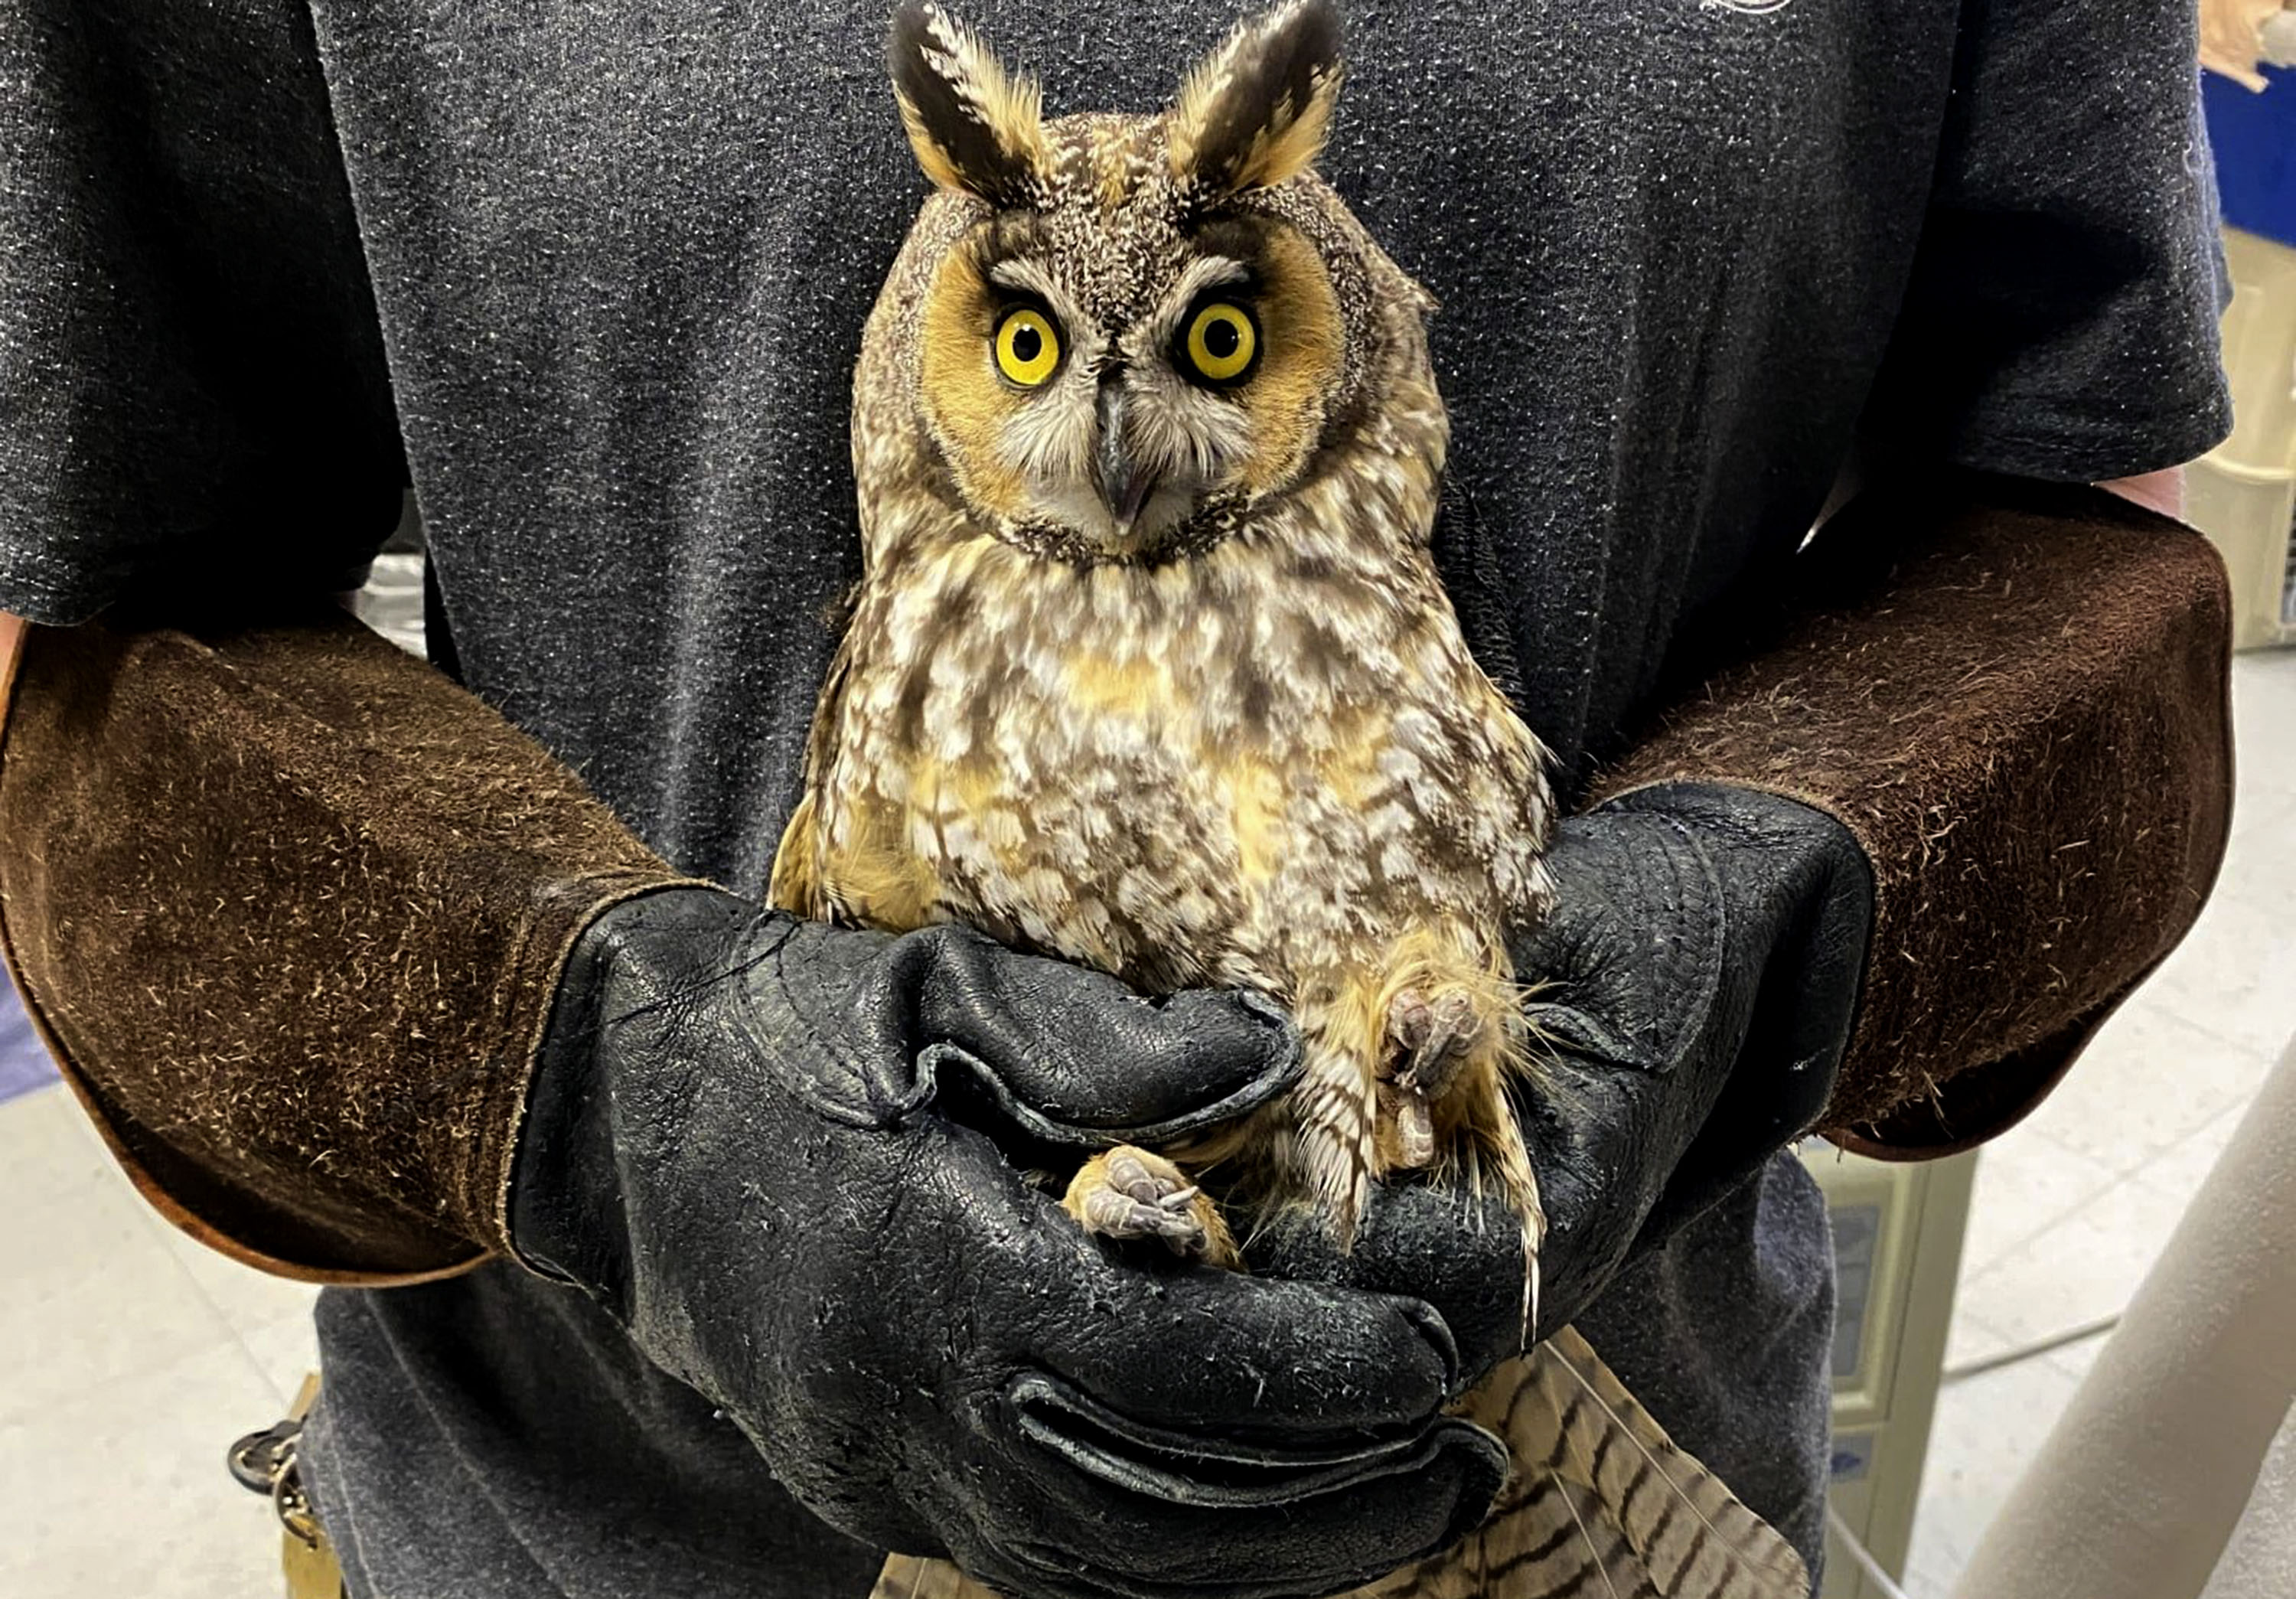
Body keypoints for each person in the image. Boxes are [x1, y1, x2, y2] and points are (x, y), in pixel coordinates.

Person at [0, 2, 2234, 1596]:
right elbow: (110, 639)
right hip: (601, 1530)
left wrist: (1771, 917)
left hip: (1577, 1506)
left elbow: (2085, 523)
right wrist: (601, 1092)